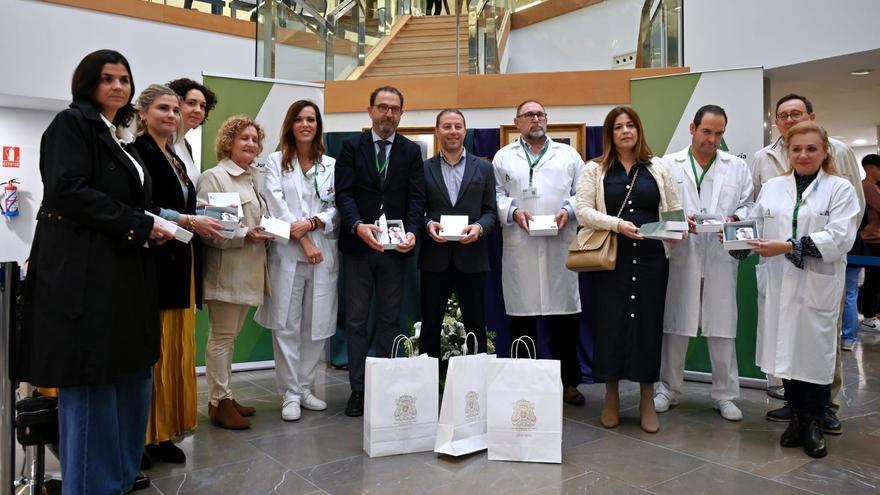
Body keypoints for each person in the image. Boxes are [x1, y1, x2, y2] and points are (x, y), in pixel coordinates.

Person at [17, 49, 175, 494]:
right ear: (88, 83)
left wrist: (153, 223)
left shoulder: (118, 135)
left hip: (123, 276)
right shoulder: (72, 124)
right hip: (86, 278)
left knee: (129, 378)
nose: (119, 87)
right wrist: (140, 224)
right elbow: (68, 191)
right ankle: (90, 484)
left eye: (125, 79)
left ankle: (119, 476)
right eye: (108, 79)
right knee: (92, 383)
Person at [735, 121, 858, 457]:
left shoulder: (840, 189)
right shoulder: (773, 187)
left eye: (811, 149)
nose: (803, 155)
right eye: (796, 149)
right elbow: (756, 224)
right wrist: (735, 237)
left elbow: (841, 236)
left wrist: (788, 246)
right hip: (778, 282)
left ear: (824, 152)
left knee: (814, 354)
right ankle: (797, 419)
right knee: (785, 352)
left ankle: (815, 420)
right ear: (787, 152)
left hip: (816, 283)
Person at [131, 84, 225, 466]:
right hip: (154, 264)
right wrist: (188, 219)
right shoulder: (137, 154)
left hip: (181, 263)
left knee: (175, 352)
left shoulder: (175, 157)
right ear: (142, 112)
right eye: (163, 109)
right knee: (155, 353)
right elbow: (145, 207)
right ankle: (142, 434)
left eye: (175, 110)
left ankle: (163, 432)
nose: (171, 116)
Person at [575, 106, 682, 433]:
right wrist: (617, 224)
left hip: (651, 257)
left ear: (639, 130)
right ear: (610, 134)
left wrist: (677, 231)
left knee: (648, 326)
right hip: (610, 259)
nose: (625, 131)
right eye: (618, 126)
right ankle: (611, 395)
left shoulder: (658, 167)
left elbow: (674, 209)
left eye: (630, 125)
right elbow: (582, 211)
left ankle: (647, 396)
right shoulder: (595, 169)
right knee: (610, 325)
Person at [653, 105, 753, 422]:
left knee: (722, 325)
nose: (713, 139)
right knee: (676, 323)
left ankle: (725, 395)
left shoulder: (737, 167)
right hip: (684, 253)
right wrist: (681, 220)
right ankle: (668, 389)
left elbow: (749, 207)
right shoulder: (668, 165)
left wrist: (733, 219)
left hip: (720, 255)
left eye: (719, 133)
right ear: (693, 128)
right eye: (707, 131)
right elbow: (658, 208)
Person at [334, 86, 426, 417]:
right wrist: (357, 225)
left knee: (390, 318)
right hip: (359, 246)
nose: (388, 114)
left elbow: (417, 198)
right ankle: (358, 390)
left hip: (396, 249)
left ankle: (383, 385)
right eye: (382, 107)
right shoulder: (350, 147)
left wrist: (414, 232)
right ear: (370, 110)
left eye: (394, 109)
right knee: (357, 320)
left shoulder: (411, 151)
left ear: (401, 113)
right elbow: (343, 194)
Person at [494, 100, 586, 406]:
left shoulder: (568, 155)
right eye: (529, 115)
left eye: (540, 114)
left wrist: (568, 210)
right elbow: (494, 196)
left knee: (565, 320)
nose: (535, 119)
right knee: (523, 319)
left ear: (547, 119)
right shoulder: (503, 157)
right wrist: (513, 210)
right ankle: (526, 381)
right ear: (517, 121)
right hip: (521, 247)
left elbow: (582, 194)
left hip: (560, 245)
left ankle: (569, 382)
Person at [254, 100, 338, 422]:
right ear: (290, 124)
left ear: (318, 126)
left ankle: (305, 387)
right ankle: (289, 393)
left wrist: (314, 223)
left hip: (322, 255)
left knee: (316, 326)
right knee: (286, 326)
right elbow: (275, 205)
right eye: (300, 119)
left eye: (312, 120)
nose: (306, 124)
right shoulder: (275, 162)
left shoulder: (329, 164)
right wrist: (302, 238)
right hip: (288, 252)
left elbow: (335, 207)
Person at [197, 115, 274, 429]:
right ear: (228, 142)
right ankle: (219, 400)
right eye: (245, 138)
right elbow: (212, 231)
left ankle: (223, 398)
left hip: (248, 271)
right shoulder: (214, 177)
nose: (252, 144)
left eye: (255, 140)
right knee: (222, 338)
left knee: (230, 338)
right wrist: (247, 234)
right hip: (226, 273)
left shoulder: (251, 179)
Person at [420, 109, 497, 358]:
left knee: (476, 324)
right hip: (435, 257)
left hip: (472, 256)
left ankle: (475, 382)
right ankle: (428, 382)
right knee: (430, 324)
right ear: (437, 131)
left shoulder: (484, 168)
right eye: (446, 126)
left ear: (465, 130)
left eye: (457, 126)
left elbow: (491, 212)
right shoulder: (423, 169)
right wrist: (427, 224)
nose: (452, 131)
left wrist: (480, 227)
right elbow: (417, 211)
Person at [167, 77, 218, 186]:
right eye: (191, 103)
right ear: (175, 105)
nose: (198, 110)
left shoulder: (186, 146)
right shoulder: (162, 142)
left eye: (202, 106)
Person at [859, 154, 880, 332]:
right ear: (870, 168)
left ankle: (871, 315)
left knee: (873, 279)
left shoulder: (870, 186)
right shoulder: (868, 187)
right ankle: (869, 317)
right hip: (872, 240)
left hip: (873, 239)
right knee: (873, 280)